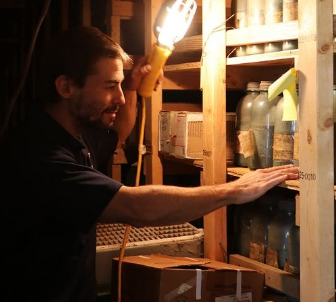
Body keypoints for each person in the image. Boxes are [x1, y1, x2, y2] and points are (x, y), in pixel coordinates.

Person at [0, 25, 298, 302]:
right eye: (109, 86)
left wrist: (131, 88)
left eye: (119, 86)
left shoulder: (72, 136)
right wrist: (234, 191)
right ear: (66, 87)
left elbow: (117, 133)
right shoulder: (39, 157)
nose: (118, 98)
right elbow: (137, 207)